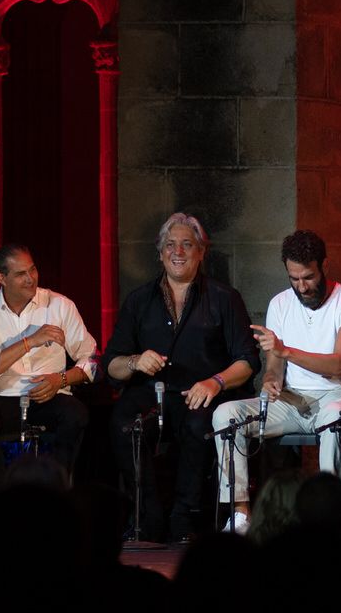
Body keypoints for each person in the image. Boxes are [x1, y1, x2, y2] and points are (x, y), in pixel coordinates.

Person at [104, 212, 259, 542]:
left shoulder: (224, 298)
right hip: (152, 393)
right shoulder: (138, 300)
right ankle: (147, 517)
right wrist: (134, 361)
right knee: (123, 422)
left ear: (201, 251)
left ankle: (184, 518)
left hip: (203, 392)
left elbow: (247, 361)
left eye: (187, 244)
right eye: (170, 245)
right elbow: (111, 365)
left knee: (197, 424)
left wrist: (215, 382)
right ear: (160, 253)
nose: (178, 251)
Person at [211, 230, 341, 534]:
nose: (302, 286)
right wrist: (271, 380)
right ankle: (241, 513)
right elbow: (274, 367)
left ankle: (329, 516)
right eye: (294, 278)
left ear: (324, 265)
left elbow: (338, 365)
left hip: (336, 394)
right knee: (225, 415)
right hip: (292, 401)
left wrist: (287, 351)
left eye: (308, 277)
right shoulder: (280, 303)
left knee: (335, 418)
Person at [0, 244, 97, 496]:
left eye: (33, 270)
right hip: (3, 397)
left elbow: (92, 359)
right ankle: (1, 502)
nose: (31, 278)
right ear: (1, 278)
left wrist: (62, 379)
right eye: (21, 274)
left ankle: (56, 496)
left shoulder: (59, 304)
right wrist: (29, 341)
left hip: (50, 394)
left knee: (75, 415)